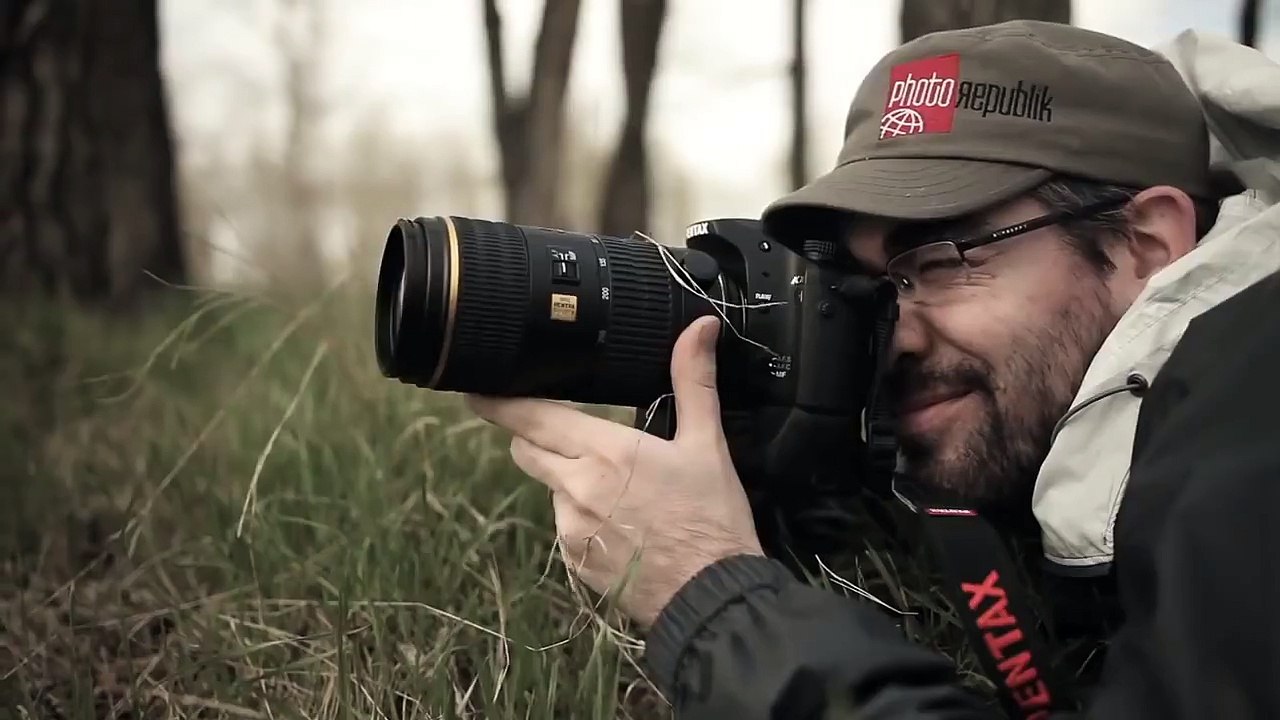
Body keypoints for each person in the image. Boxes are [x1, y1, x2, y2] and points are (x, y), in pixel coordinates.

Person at [467, 19, 1280, 719]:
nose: (895, 337)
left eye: (940, 261)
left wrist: (710, 589)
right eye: (876, 288)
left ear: (1145, 245)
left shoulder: (1248, 436)